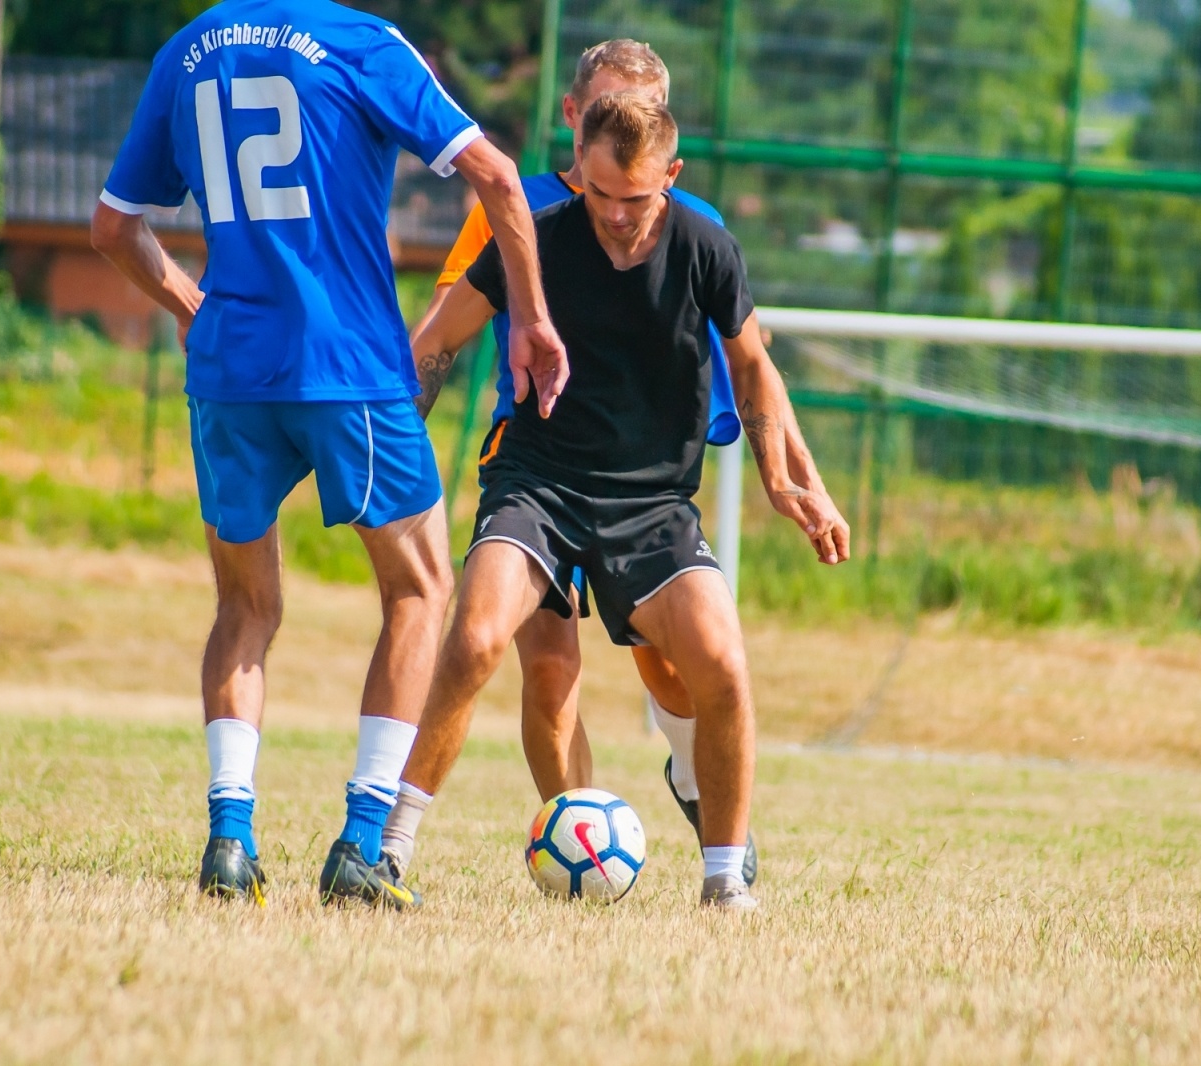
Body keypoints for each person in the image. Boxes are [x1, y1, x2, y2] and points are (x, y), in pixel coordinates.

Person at [89, 0, 566, 907]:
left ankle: (230, 840)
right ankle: (359, 843)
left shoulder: (188, 50)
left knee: (245, 604)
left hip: (230, 374)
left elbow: (113, 229)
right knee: (420, 589)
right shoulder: (360, 42)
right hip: (349, 368)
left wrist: (194, 310)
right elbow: (501, 179)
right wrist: (534, 322)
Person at [384, 93, 851, 911]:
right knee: (477, 639)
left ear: (670, 177)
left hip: (653, 505)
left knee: (724, 669)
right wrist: (387, 454)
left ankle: (724, 884)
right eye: (599, 196)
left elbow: (752, 369)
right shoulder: (535, 238)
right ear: (580, 175)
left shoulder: (706, 245)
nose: (615, 216)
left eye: (634, 199)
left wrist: (785, 478)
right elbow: (437, 341)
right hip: (537, 484)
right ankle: (385, 852)